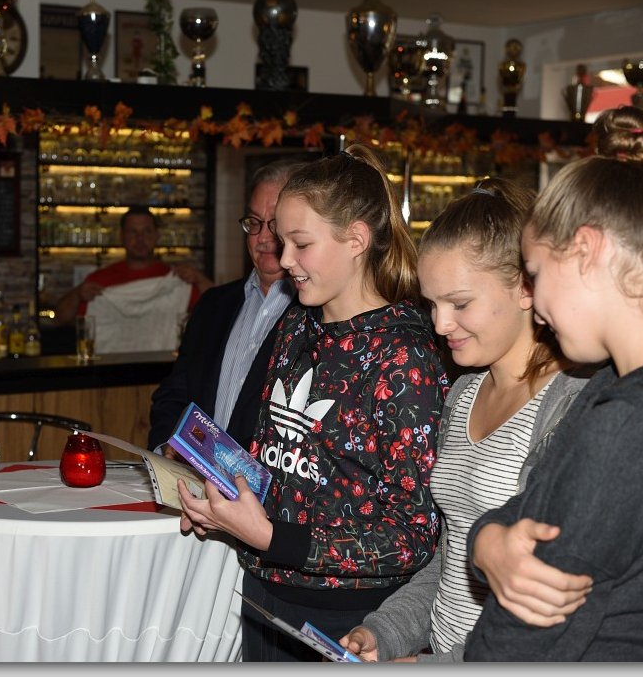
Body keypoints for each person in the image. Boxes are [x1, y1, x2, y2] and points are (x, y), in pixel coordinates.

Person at [177, 146, 450, 662]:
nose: (283, 261)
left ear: (356, 240)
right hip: (263, 591)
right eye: (282, 243)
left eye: (300, 244)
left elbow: (414, 534)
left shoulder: (404, 357)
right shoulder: (295, 326)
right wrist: (229, 503)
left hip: (354, 618)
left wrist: (274, 537)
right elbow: (275, 458)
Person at [339, 178, 592, 662]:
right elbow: (451, 557)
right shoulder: (463, 393)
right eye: (431, 304)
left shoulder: (570, 407)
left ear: (525, 287)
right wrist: (384, 632)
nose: (440, 324)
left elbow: (559, 604)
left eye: (460, 303)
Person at [464, 106, 643, 661]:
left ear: (586, 250)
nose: (538, 307)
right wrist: (487, 539)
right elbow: (531, 505)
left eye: (534, 272)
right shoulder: (607, 383)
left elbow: (527, 632)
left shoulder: (627, 424)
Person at [147, 159, 303, 450]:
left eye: (275, 224)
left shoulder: (319, 315)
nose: (263, 238)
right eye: (254, 222)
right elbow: (174, 394)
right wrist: (169, 446)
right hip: (190, 476)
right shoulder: (213, 304)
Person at [53, 208, 212, 353]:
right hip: (111, 371)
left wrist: (199, 279)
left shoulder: (176, 280)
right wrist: (78, 294)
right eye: (132, 232)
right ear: (121, 236)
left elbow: (219, 312)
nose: (140, 239)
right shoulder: (99, 279)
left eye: (147, 231)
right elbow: (60, 318)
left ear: (157, 236)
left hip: (162, 370)